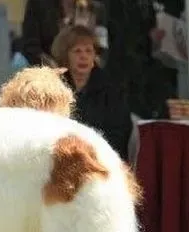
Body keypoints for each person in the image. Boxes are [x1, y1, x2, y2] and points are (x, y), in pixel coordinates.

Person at [51, 25, 133, 162]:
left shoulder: (111, 90)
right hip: (62, 161)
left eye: (89, 51)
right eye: (77, 51)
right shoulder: (54, 88)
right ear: (65, 57)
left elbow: (120, 133)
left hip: (101, 161)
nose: (84, 56)